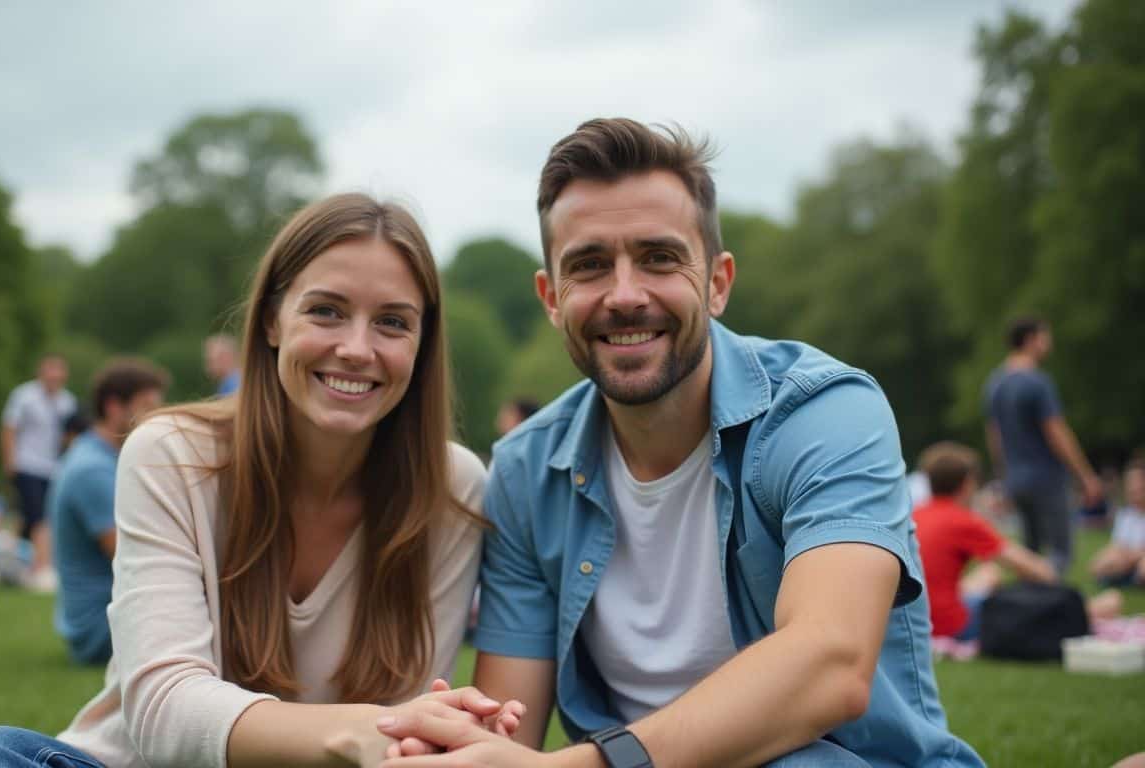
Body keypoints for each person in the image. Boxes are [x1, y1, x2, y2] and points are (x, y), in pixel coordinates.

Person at [376, 119, 982, 767]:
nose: (626, 295)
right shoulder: (527, 469)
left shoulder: (825, 412)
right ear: (551, 299)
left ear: (718, 283)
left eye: (659, 258)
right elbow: (506, 733)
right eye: (589, 266)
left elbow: (829, 663)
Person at [0, 194, 522, 767]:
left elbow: (406, 733)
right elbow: (163, 711)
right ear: (272, 320)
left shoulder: (451, 488)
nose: (355, 348)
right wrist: (352, 733)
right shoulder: (170, 455)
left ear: (422, 345)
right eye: (326, 311)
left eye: (392, 322)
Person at [51, 358, 169, 665]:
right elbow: (132, 558)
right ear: (115, 407)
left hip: (110, 618)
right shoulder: (93, 470)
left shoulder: (105, 459)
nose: (157, 417)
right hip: (100, 630)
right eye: (147, 406)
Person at [984, 316, 1101, 575]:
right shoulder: (1037, 382)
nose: (1048, 343)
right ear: (1030, 340)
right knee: (1060, 552)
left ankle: (1033, 609)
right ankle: (1057, 609)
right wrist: (1085, 475)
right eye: (1045, 337)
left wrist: (1004, 478)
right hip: (1046, 477)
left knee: (1031, 554)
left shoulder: (995, 384)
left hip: (1016, 479)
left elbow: (995, 436)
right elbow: (1056, 432)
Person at [912, 441, 1057, 643]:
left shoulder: (915, 514)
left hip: (913, 620)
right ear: (966, 483)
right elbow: (1033, 568)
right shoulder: (962, 520)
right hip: (947, 624)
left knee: (989, 574)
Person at [0, 355, 76, 590]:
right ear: (41, 373)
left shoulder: (67, 401)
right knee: (40, 517)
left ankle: (7, 563)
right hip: (27, 464)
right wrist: (9, 461)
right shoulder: (24, 396)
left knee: (27, 519)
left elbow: (70, 437)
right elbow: (9, 428)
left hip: (54, 468)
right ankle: (43, 569)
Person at [1090, 459, 1145, 587]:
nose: (1130, 489)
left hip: (1136, 558)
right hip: (1127, 557)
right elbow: (1117, 545)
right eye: (1129, 484)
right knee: (1097, 565)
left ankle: (1121, 578)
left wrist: (1128, 558)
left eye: (1135, 484)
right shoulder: (1125, 515)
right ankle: (1130, 579)